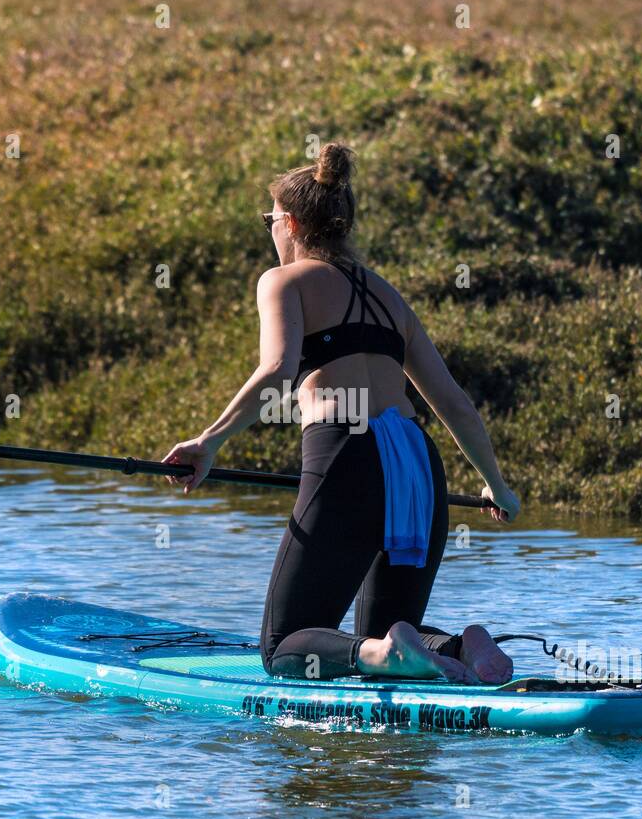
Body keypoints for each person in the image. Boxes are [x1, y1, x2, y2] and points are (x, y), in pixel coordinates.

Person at [162, 143, 521, 684]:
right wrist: (495, 484)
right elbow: (453, 403)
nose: (270, 231)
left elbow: (280, 372)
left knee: (284, 648)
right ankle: (462, 647)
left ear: (293, 222)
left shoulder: (282, 281)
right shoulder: (390, 297)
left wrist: (208, 442)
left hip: (346, 452)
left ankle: (391, 652)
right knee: (387, 629)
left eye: (270, 220)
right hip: (418, 463)